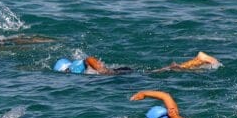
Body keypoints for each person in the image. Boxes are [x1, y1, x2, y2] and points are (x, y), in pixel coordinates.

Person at [53, 52, 220, 75]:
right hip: (116, 72)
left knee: (157, 73)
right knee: (156, 72)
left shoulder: (72, 70)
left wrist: (103, 71)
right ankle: (196, 62)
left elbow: (89, 58)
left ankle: (198, 61)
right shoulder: (72, 68)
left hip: (115, 73)